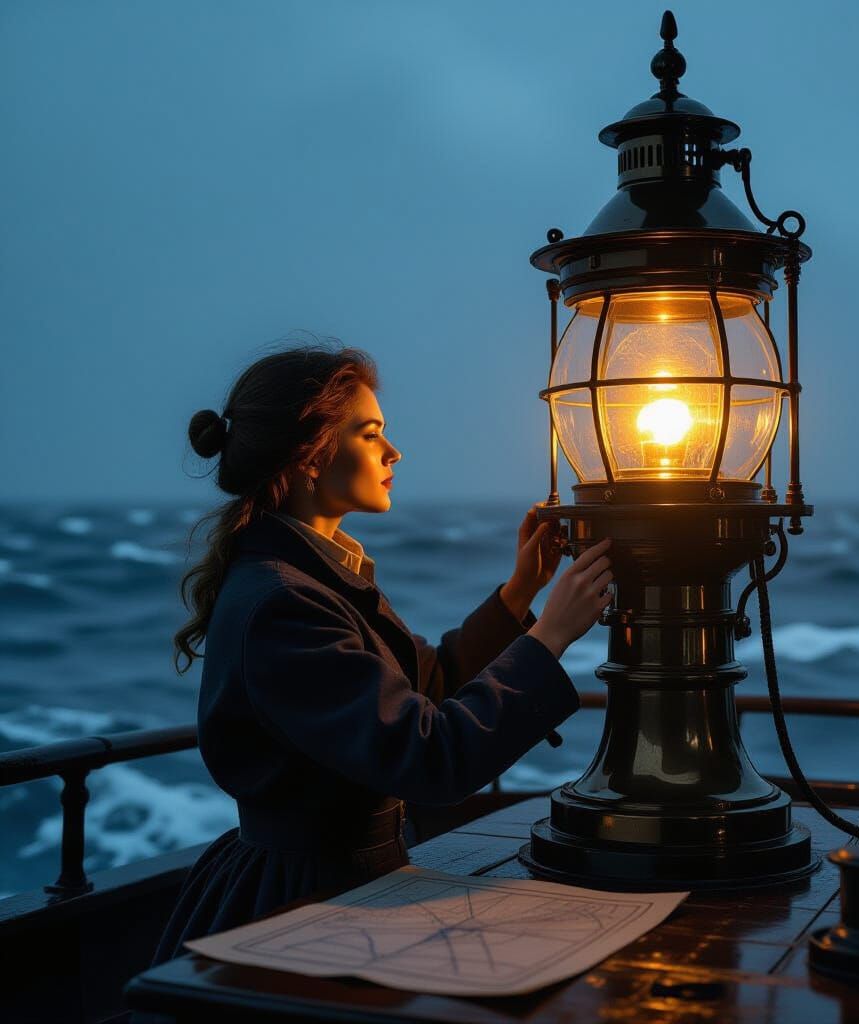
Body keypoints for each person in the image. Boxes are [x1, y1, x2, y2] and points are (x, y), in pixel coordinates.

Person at [153, 345, 613, 963]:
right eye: (371, 436)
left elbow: (430, 686)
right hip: (303, 905)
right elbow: (429, 757)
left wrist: (520, 592)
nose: (393, 453)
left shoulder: (314, 575)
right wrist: (549, 635)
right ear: (311, 457)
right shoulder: (284, 603)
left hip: (348, 889)